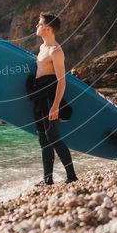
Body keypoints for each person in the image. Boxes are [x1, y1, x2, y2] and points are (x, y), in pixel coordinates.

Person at [27, 12, 78, 186]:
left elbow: (61, 81)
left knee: (53, 135)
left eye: (39, 23)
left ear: (48, 28)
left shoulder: (56, 51)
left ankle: (72, 176)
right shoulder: (42, 49)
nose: (36, 26)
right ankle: (47, 179)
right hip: (39, 98)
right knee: (43, 137)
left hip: (50, 97)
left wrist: (55, 105)